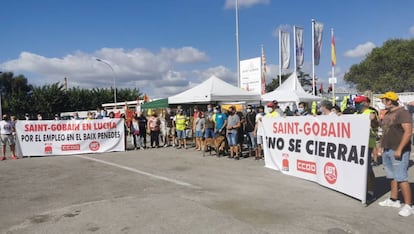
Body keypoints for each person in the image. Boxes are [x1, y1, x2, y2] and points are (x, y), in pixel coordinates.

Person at [377, 91, 413, 217]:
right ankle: (394, 200)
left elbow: (408, 132)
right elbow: (385, 131)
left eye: (384, 100)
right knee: (392, 176)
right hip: (387, 149)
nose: (382, 102)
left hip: (398, 150)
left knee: (401, 177)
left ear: (390, 101)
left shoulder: (403, 113)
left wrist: (399, 149)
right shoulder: (388, 113)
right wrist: (381, 146)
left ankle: (409, 205)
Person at [354, 95, 379, 203]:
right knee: (357, 168)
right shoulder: (355, 114)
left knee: (368, 169)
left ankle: (370, 192)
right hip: (356, 145)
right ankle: (360, 189)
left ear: (364, 103)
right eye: (356, 103)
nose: (357, 105)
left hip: (368, 144)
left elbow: (376, 125)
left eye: (359, 102)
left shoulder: (371, 112)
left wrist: (373, 121)